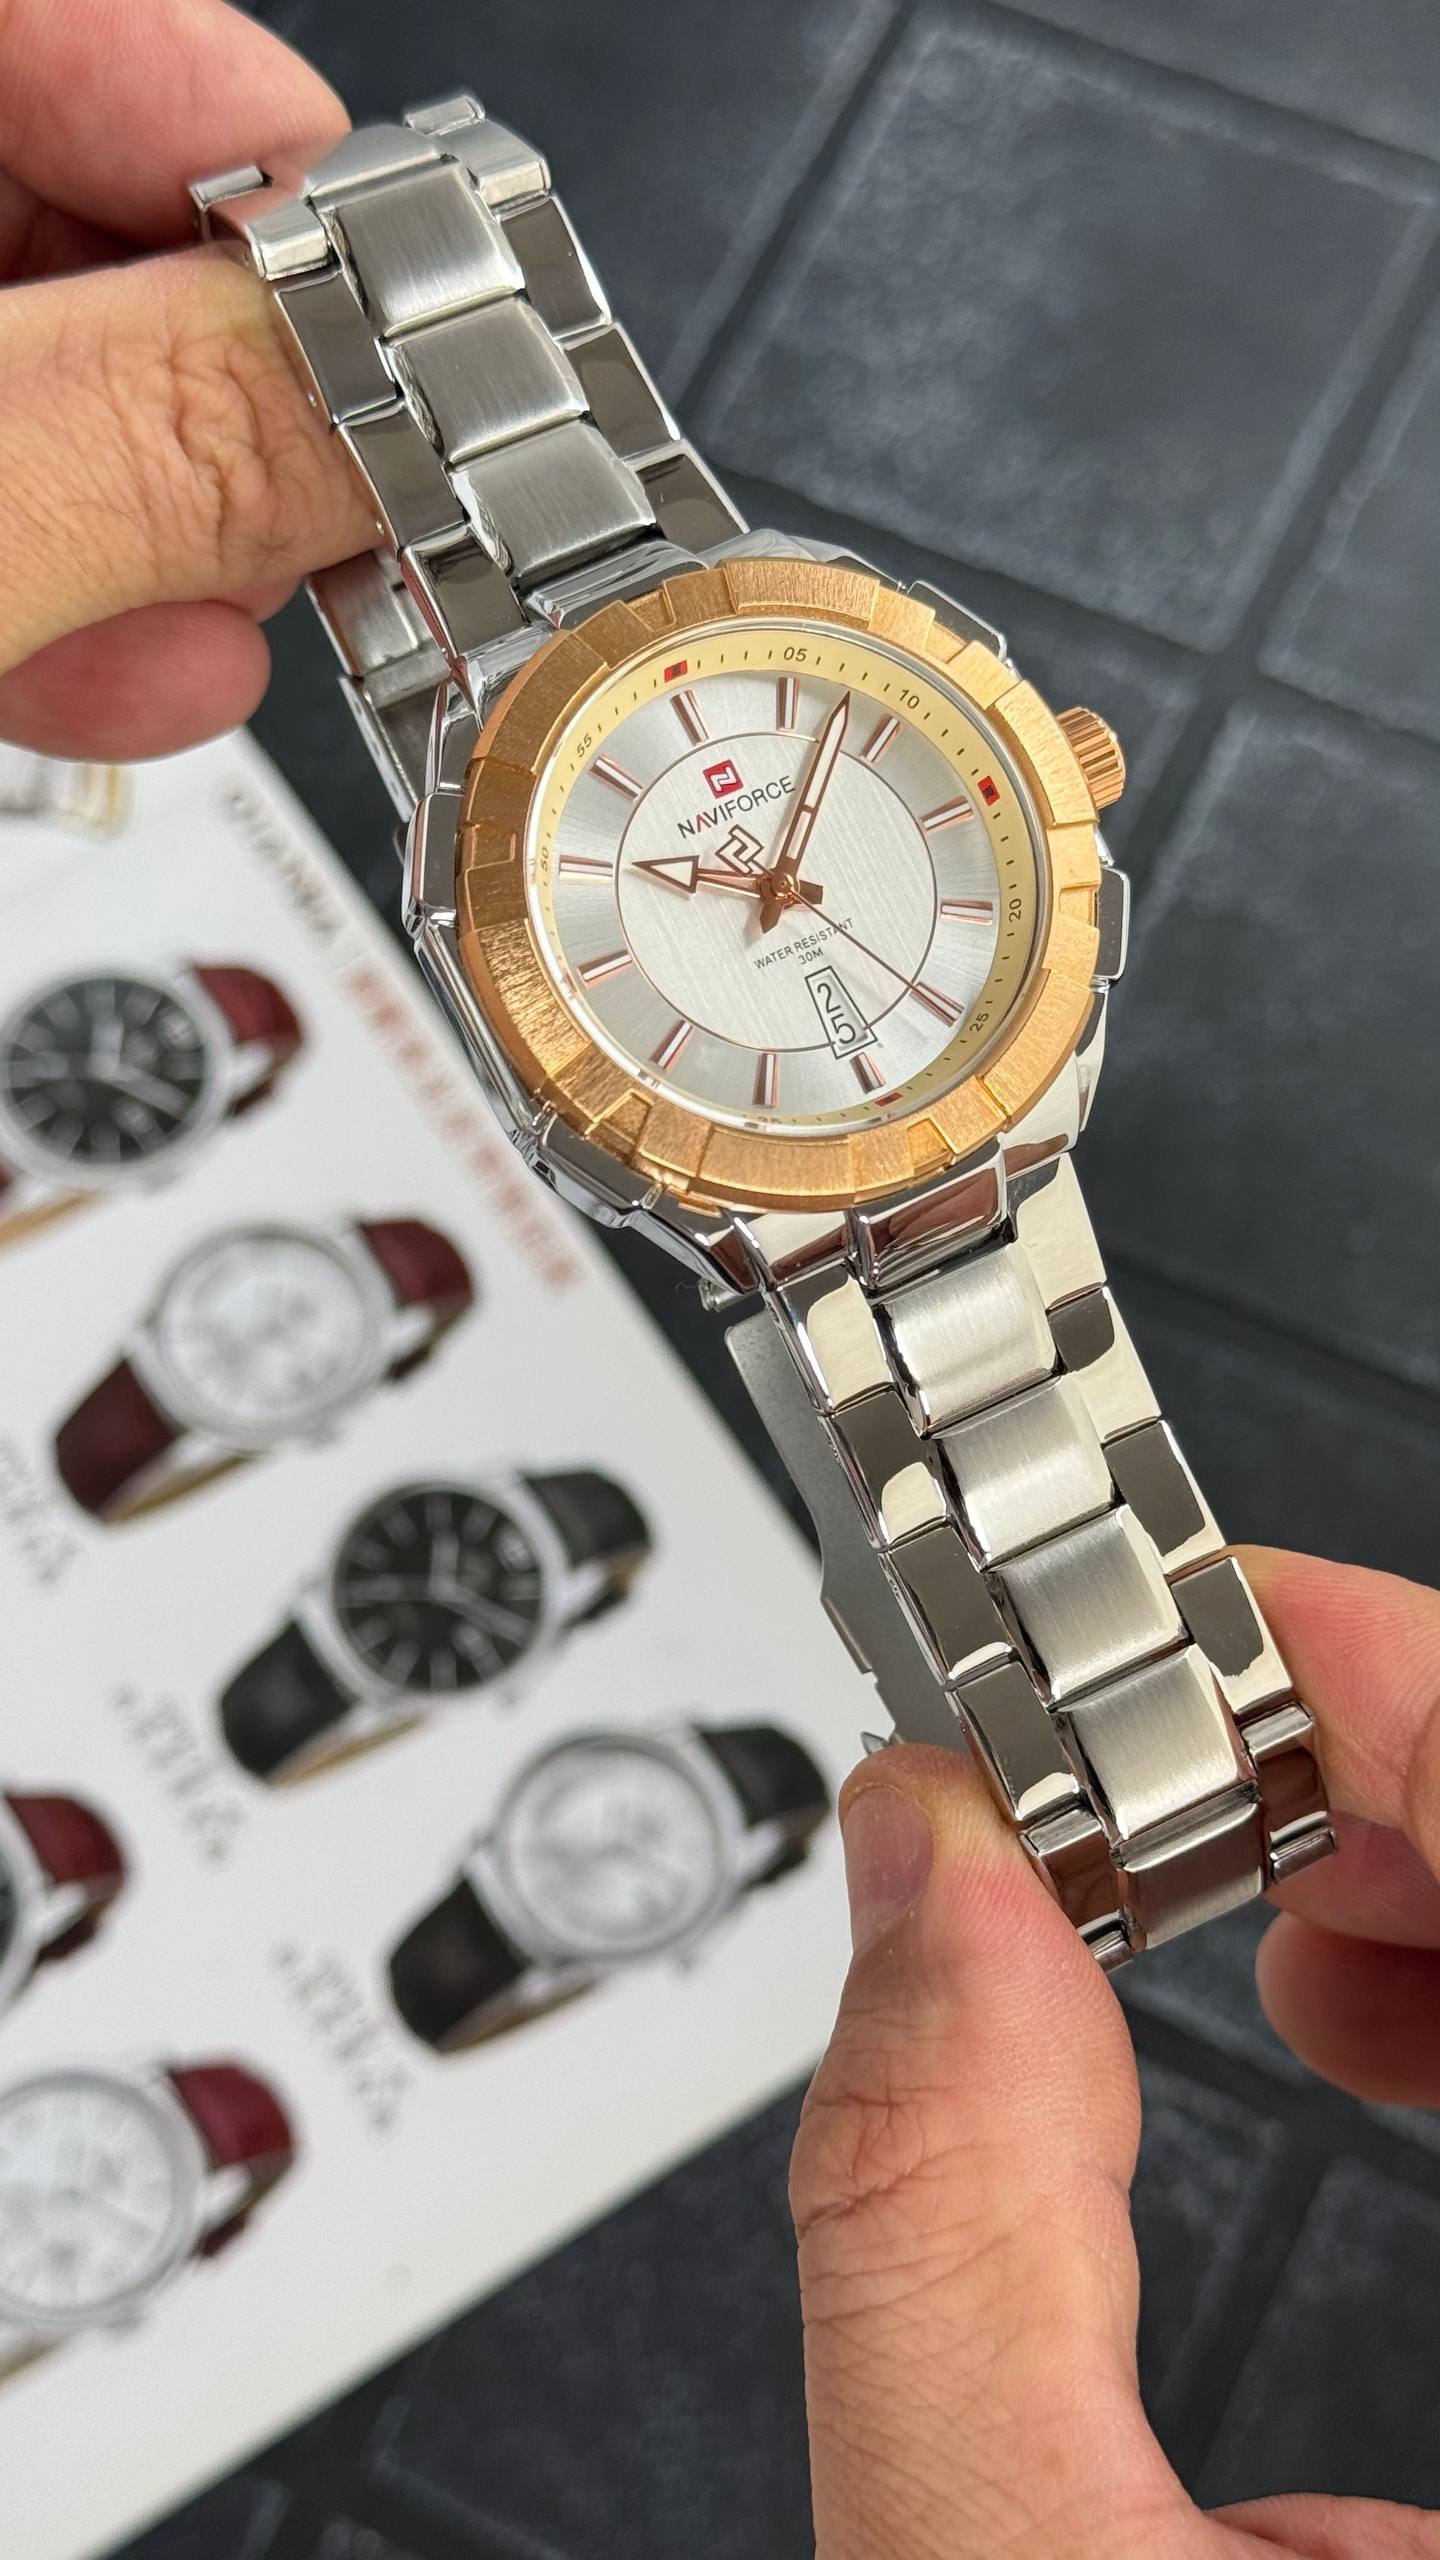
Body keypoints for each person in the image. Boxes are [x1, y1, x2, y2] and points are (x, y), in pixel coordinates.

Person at [2, 7, 1436, 2553]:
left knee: (1038, 1443)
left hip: (933, 1116)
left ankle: (1152, 1770)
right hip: (825, 1124)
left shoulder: (886, 842)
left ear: (1035, 786)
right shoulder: (540, 750)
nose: (776, 873)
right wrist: (226, 417)